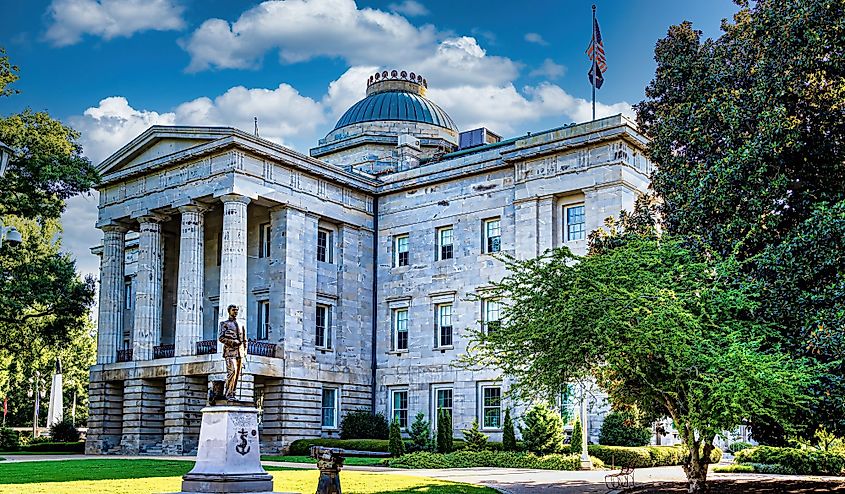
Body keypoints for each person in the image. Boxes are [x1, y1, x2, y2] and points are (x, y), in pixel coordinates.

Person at [218, 305, 246, 400]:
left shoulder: (241, 325)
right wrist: (233, 342)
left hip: (240, 353)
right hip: (229, 352)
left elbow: (244, 340)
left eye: (237, 310)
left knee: (237, 375)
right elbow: (221, 338)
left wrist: (244, 353)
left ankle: (233, 393)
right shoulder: (224, 324)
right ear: (229, 311)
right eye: (233, 310)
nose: (235, 312)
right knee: (232, 372)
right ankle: (228, 394)